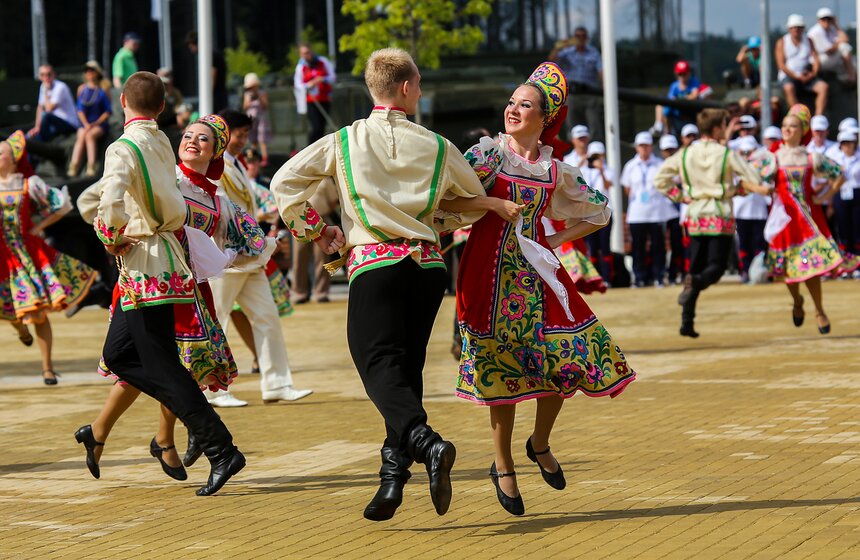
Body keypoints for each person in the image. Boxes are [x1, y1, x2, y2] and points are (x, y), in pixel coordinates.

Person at [271, 48, 489, 521]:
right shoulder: (437, 145)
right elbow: (470, 198)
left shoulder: (343, 140)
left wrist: (317, 228)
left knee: (374, 360)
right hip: (429, 267)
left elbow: (285, 181)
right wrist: (433, 219)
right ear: (407, 88)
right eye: (419, 84)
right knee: (403, 369)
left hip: (375, 262)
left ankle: (427, 443)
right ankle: (392, 478)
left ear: (373, 87)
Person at [449, 61, 635, 516]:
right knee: (502, 366)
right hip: (489, 273)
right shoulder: (488, 155)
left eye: (524, 104)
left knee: (566, 360)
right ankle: (503, 463)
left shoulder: (555, 170)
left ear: (545, 117)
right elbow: (446, 200)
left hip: (536, 271)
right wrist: (491, 202)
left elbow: (598, 211)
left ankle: (540, 441)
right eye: (511, 102)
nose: (513, 110)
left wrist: (552, 238)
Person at [76, 71, 245, 497]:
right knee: (120, 356)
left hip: (145, 261)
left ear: (121, 101)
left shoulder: (124, 146)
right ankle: (97, 435)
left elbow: (112, 194)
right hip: (164, 260)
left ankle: (220, 447)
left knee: (162, 365)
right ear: (164, 108)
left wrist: (109, 235)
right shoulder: (159, 142)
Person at [207, 109, 312, 406]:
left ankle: (276, 383)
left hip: (246, 255)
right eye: (238, 135)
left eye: (244, 135)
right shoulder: (215, 165)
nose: (242, 140)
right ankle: (215, 388)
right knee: (218, 319)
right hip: (226, 255)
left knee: (266, 316)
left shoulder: (233, 163)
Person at [654, 108, 772, 337]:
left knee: (696, 265)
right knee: (716, 268)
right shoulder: (726, 153)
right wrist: (737, 189)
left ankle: (686, 321)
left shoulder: (686, 153)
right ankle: (695, 282)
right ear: (717, 128)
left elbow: (660, 179)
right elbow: (753, 179)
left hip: (696, 213)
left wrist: (681, 196)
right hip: (720, 213)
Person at [0, 131, 96, 384]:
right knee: (11, 309)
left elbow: (61, 205)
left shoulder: (28, 183)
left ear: (13, 159)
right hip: (2, 255)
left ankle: (47, 368)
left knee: (38, 311)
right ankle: (20, 329)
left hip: (24, 252)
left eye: (1, 153)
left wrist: (38, 226)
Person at [763, 105, 860, 333]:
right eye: (785, 125)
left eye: (793, 126)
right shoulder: (773, 157)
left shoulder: (810, 157)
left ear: (802, 130)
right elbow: (751, 176)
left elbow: (839, 174)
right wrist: (760, 189)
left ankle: (819, 310)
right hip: (784, 221)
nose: (787, 129)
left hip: (807, 220)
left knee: (811, 269)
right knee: (789, 272)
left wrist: (824, 197)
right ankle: (797, 301)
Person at [621, 132, 667, 287]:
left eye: (647, 146)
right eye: (641, 146)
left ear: (651, 147)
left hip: (656, 212)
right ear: (636, 148)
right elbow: (627, 188)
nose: (644, 149)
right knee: (638, 247)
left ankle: (658, 276)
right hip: (637, 213)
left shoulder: (659, 164)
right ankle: (640, 277)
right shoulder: (631, 166)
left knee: (658, 246)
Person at [549, 26, 604, 139]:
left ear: (587, 38)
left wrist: (603, 87)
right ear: (574, 38)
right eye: (577, 36)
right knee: (572, 123)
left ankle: (595, 150)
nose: (580, 39)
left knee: (593, 123)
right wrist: (559, 46)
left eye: (583, 36)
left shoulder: (593, 52)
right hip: (572, 94)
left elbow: (601, 71)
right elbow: (551, 61)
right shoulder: (567, 52)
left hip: (590, 93)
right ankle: (575, 149)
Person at [733, 136, 771, 282]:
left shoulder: (763, 166)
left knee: (759, 244)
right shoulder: (736, 167)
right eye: (744, 152)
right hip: (741, 212)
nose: (748, 155)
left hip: (759, 211)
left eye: (750, 151)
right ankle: (745, 271)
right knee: (743, 244)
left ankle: (759, 272)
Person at [776, 14, 829, 116]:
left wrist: (813, 73)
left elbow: (815, 59)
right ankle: (798, 117)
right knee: (789, 88)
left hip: (807, 75)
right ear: (789, 29)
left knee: (823, 87)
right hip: (789, 76)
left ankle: (818, 117)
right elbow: (781, 65)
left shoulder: (808, 40)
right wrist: (796, 76)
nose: (796, 29)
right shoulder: (782, 42)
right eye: (794, 27)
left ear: (803, 28)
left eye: (799, 27)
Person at [69, 61, 112, 178]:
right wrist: (86, 124)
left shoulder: (102, 90)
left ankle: (91, 166)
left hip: (99, 125)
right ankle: (73, 166)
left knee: (90, 135)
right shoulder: (82, 89)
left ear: (97, 73)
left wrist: (95, 123)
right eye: (87, 71)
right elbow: (79, 109)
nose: (89, 73)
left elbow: (107, 111)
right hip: (85, 124)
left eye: (92, 70)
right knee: (81, 134)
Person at [580, 141, 614, 283]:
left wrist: (600, 171)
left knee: (605, 246)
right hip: (588, 213)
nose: (596, 159)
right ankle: (594, 278)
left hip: (605, 212)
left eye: (599, 156)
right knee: (592, 247)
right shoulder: (584, 170)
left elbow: (608, 185)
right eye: (593, 156)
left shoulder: (608, 169)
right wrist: (583, 161)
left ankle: (607, 278)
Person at [294, 43, 336, 146]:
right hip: (311, 101)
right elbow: (297, 84)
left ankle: (320, 150)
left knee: (322, 128)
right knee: (316, 127)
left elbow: (333, 77)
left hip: (324, 98)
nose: (306, 55)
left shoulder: (322, 61)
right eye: (303, 54)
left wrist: (322, 79)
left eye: (307, 53)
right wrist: (309, 85)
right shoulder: (300, 67)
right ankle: (309, 148)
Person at [27, 64, 80, 143]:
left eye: (48, 74)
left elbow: (49, 109)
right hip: (55, 123)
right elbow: (40, 107)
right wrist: (37, 127)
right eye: (42, 75)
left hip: (70, 124)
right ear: (39, 77)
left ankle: (42, 142)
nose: (46, 77)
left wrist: (46, 91)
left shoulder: (60, 87)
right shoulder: (43, 86)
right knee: (31, 135)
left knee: (45, 115)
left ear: (54, 74)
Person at [830, 129, 860, 265]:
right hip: (840, 194)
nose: (846, 146)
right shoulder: (835, 159)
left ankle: (858, 263)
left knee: (857, 229)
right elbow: (829, 180)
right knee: (842, 229)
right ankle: (847, 264)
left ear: (854, 143)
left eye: (849, 143)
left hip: (857, 194)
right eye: (843, 143)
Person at [658, 135, 686, 284]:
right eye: (666, 150)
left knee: (678, 245)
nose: (669, 152)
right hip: (660, 212)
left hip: (678, 211)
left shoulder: (682, 165)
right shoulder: (658, 166)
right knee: (660, 245)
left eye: (671, 149)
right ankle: (662, 274)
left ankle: (675, 274)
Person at [807, 7, 856, 83]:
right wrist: (839, 43)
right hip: (817, 61)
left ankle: (846, 76)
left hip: (828, 58)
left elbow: (845, 39)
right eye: (824, 19)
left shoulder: (831, 29)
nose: (826, 21)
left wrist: (836, 25)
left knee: (846, 51)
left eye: (829, 19)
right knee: (844, 48)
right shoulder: (816, 32)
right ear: (818, 20)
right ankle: (851, 76)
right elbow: (830, 51)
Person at [185, 31, 229, 112]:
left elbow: (212, 77)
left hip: (216, 98)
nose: (190, 50)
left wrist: (207, 96)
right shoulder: (211, 53)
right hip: (217, 96)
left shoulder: (211, 54)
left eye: (191, 46)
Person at [660, 60, 700, 137]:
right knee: (666, 109)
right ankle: (667, 132)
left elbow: (695, 95)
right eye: (680, 74)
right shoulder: (674, 86)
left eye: (684, 74)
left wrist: (681, 99)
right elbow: (671, 100)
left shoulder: (693, 82)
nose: (682, 76)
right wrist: (684, 99)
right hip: (677, 117)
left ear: (689, 73)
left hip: (691, 116)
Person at [242, 73, 271, 166]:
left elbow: (266, 106)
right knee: (253, 139)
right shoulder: (247, 95)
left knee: (262, 139)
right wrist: (249, 101)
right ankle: (253, 156)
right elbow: (245, 107)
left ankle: (265, 157)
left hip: (261, 118)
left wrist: (259, 97)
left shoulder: (262, 93)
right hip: (251, 118)